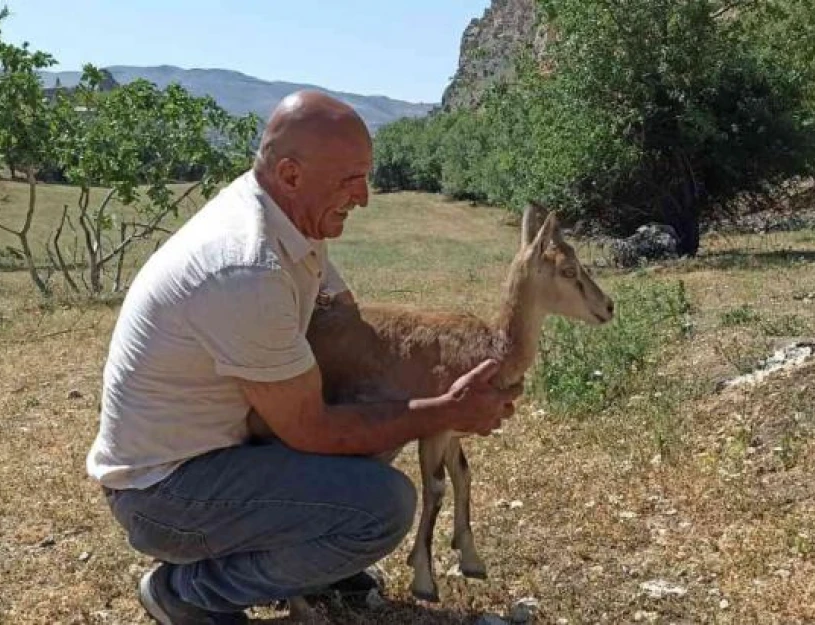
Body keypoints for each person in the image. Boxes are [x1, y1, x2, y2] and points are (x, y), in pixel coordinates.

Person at [85, 90, 522, 624]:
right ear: (291, 175)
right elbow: (312, 431)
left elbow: (347, 323)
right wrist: (447, 410)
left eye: (366, 176)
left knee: (372, 426)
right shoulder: (247, 267)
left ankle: (309, 564)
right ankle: (190, 592)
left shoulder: (290, 222)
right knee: (381, 506)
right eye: (349, 179)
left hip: (217, 457)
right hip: (167, 495)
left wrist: (436, 366)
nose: (363, 197)